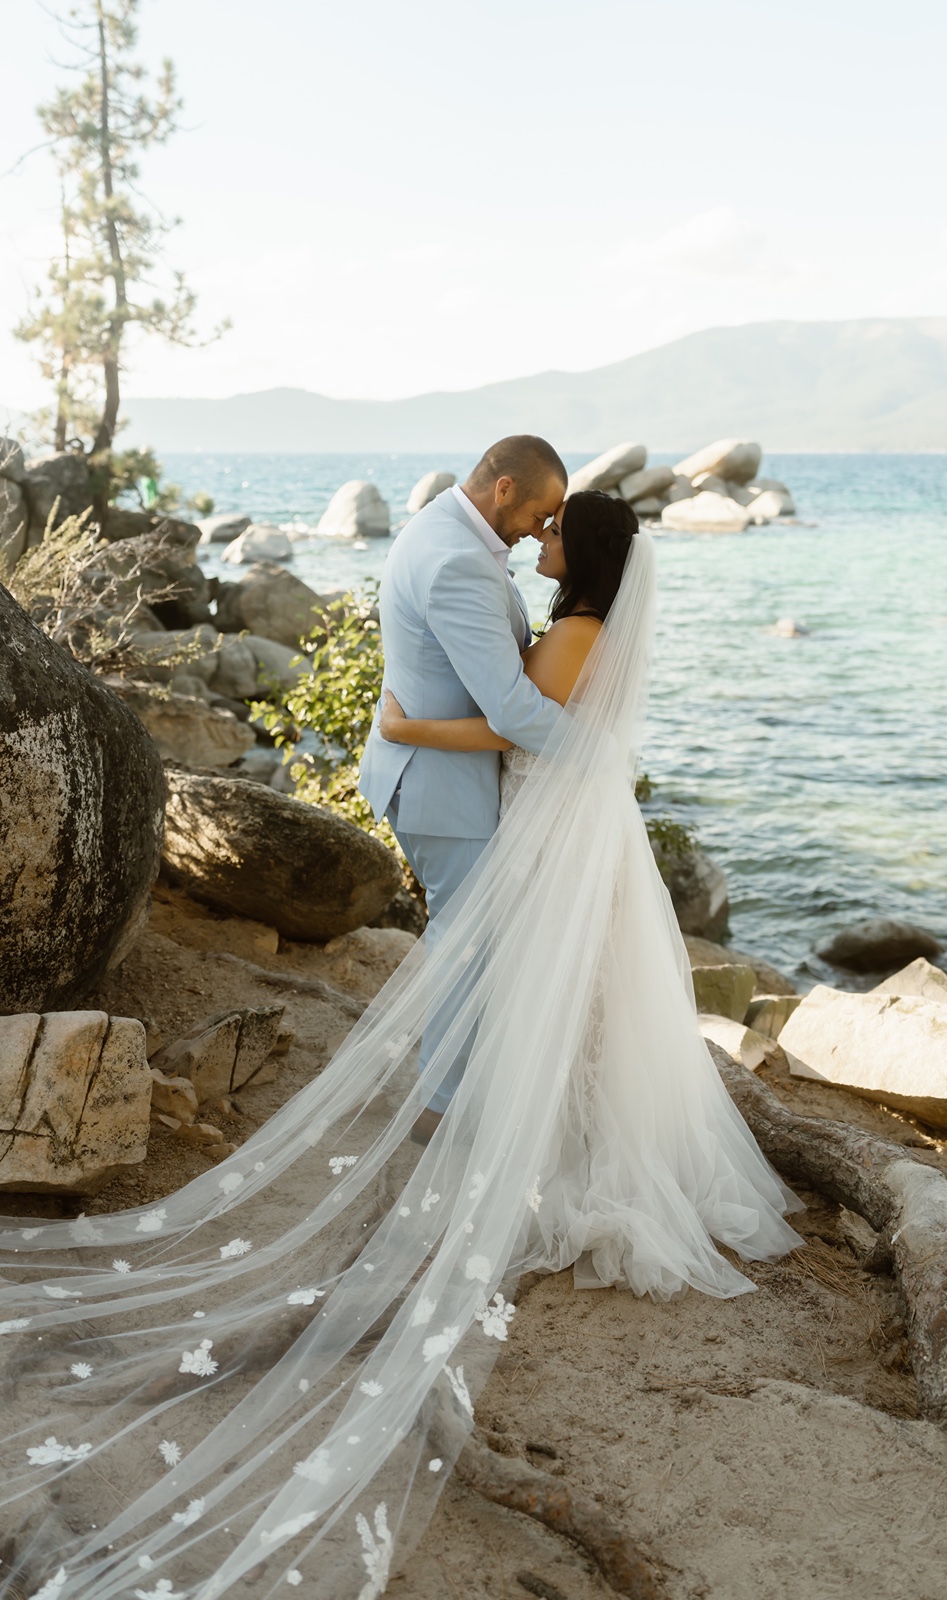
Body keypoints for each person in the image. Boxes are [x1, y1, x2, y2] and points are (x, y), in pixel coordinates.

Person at [0, 485, 802, 1600]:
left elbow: (535, 725)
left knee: (553, 991)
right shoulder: (570, 618)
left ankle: (559, 1141)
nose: (542, 535)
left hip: (553, 823)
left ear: (587, 550)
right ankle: (541, 1118)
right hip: (556, 825)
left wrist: (412, 725)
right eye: (541, 518)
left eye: (559, 530)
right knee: (556, 995)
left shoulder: (573, 628)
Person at [358, 435, 568, 1142]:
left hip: (433, 772)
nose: (542, 530)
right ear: (504, 488)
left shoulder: (439, 523)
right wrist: (595, 752)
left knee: (467, 937)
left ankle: (451, 1088)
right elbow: (509, 710)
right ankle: (438, 1106)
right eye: (541, 513)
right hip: (442, 787)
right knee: (465, 943)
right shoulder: (455, 561)